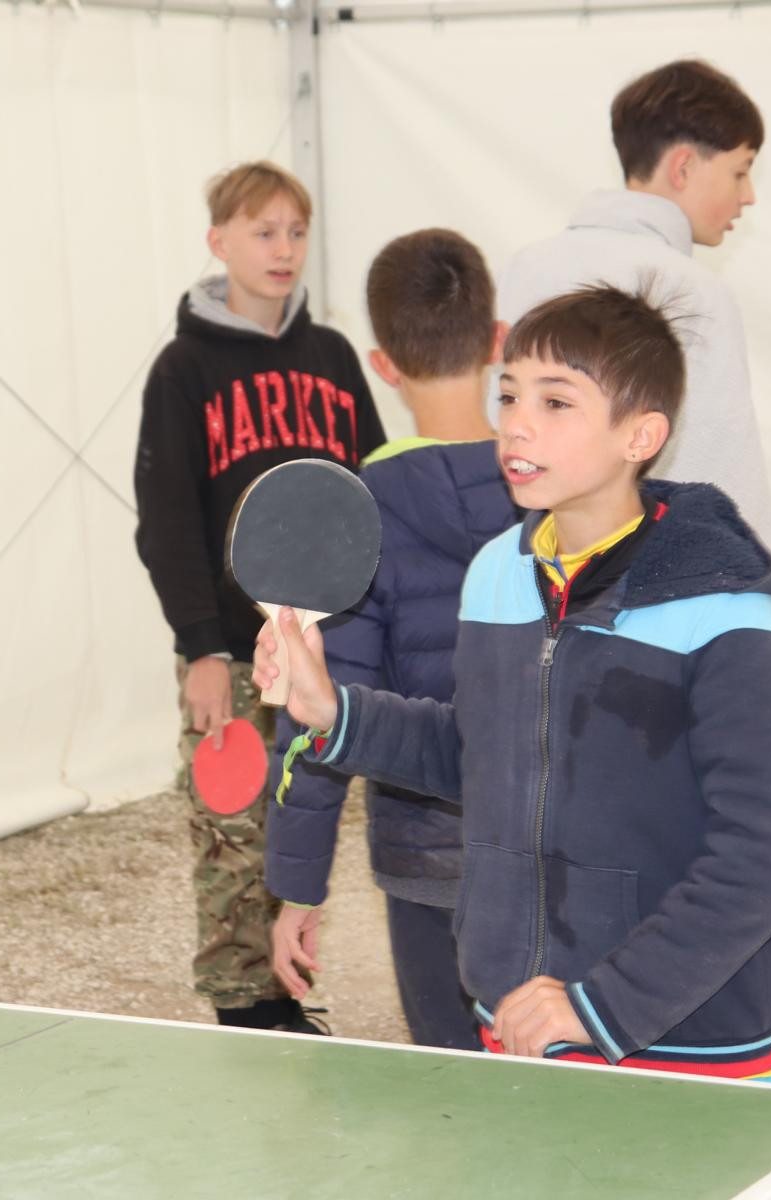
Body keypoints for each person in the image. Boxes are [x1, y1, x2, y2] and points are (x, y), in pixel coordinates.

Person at [258, 285, 771, 1081]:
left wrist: (602, 1005)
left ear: (641, 435)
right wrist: (331, 711)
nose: (517, 424)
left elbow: (770, 851)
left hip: (683, 1042)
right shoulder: (499, 572)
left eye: (556, 402)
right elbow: (480, 755)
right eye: (510, 395)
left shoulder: (721, 602)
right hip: (516, 1021)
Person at [133, 161, 387, 1031]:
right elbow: (166, 520)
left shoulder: (333, 358)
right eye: (263, 231)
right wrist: (201, 646)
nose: (283, 249)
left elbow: (369, 495)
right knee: (231, 829)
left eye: (296, 232)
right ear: (219, 242)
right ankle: (244, 1009)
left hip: (319, 648)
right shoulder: (183, 369)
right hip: (234, 653)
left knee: (303, 819)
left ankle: (287, 993)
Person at [265, 229, 519, 1051]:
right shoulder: (562, 493)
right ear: (497, 342)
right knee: (558, 1084)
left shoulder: (356, 514)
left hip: (425, 865)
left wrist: (298, 887)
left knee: (449, 1079)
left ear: (382, 365)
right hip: (550, 855)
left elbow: (318, 715)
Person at [496, 58, 771, 547]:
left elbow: (497, 422)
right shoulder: (694, 289)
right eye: (740, 171)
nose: (748, 195)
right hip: (654, 569)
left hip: (531, 557)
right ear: (683, 166)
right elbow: (725, 471)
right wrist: (760, 579)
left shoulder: (526, 266)